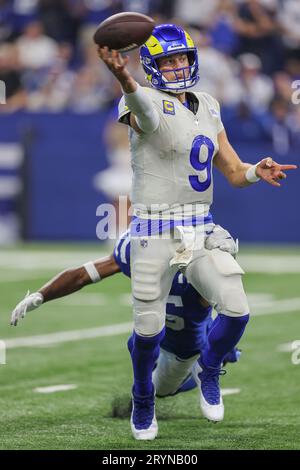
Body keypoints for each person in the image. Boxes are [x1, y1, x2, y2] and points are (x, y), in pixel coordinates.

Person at [97, 23, 296, 440]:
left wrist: (257, 172)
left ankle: (209, 368)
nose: (176, 66)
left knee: (238, 308)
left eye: (182, 58)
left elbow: (233, 172)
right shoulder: (140, 97)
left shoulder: (207, 103)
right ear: (150, 67)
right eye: (167, 60)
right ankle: (143, 400)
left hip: (199, 226)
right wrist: (123, 77)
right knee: (148, 331)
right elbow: (148, 116)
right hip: (153, 226)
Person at [10, 225, 240, 397]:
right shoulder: (137, 247)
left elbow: (226, 307)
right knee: (136, 344)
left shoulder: (199, 254)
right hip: (155, 324)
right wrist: (41, 295)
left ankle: (214, 359)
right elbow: (82, 274)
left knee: (161, 390)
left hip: (185, 340)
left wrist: (221, 347)